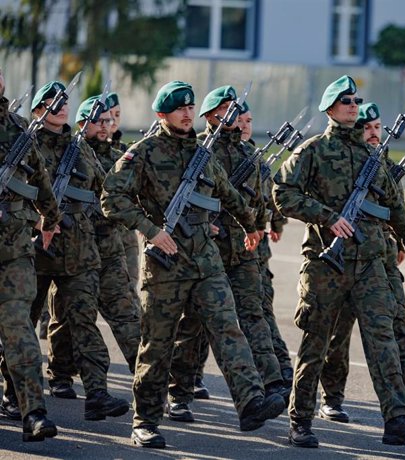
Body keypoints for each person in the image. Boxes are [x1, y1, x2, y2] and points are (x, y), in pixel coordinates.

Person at [101, 81, 285, 448]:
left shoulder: (203, 154)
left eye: (190, 108)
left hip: (206, 261)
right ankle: (145, 421)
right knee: (157, 345)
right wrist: (152, 230)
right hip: (165, 266)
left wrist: (252, 226)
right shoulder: (144, 153)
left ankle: (250, 401)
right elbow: (111, 197)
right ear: (162, 115)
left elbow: (229, 196)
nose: (187, 114)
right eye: (178, 109)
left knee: (227, 327)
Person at [273, 75, 405, 448]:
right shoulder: (312, 151)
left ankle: (396, 420)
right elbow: (282, 191)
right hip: (326, 266)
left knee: (383, 341)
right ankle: (300, 420)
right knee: (316, 343)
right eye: (345, 100)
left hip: (370, 266)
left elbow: (393, 203)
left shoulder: (370, 156)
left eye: (355, 100)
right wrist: (327, 216)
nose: (352, 105)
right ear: (330, 109)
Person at [166, 87, 290, 423]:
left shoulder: (250, 155)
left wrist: (270, 222)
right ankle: (179, 390)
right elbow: (178, 196)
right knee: (194, 325)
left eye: (238, 112)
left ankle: (273, 383)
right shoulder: (197, 151)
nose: (235, 118)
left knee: (252, 316)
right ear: (210, 116)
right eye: (227, 111)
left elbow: (265, 198)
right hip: (205, 252)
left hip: (244, 252)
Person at [319, 102, 405, 423]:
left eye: (377, 128)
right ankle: (332, 396)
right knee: (338, 333)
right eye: (366, 127)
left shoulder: (384, 165)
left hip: (381, 257)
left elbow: (395, 209)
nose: (373, 133)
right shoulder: (343, 160)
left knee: (396, 322)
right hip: (345, 256)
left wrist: (404, 242)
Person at [24, 80, 131, 421]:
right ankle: (17, 395)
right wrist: (35, 221)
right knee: (23, 324)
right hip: (34, 252)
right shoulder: (25, 144)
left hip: (80, 252)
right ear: (39, 110)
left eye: (64, 101)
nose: (61, 106)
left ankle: (97, 394)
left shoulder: (79, 147)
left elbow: (104, 188)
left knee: (84, 321)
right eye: (53, 102)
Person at [45, 96, 141, 379]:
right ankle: (61, 374)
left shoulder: (121, 158)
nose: (103, 126)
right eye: (96, 121)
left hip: (110, 247)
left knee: (126, 314)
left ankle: (149, 380)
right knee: (64, 316)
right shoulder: (68, 152)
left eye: (107, 121)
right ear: (81, 123)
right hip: (71, 248)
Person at [0, 68, 60, 442]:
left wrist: (50, 219)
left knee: (19, 331)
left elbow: (41, 180)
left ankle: (33, 413)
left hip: (13, 252)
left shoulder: (21, 128)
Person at [239, 102, 294, 387]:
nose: (246, 125)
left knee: (260, 309)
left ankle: (280, 368)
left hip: (255, 246)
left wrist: (277, 224)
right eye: (240, 120)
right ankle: (188, 381)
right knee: (199, 319)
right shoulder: (207, 152)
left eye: (249, 120)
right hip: (217, 243)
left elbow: (269, 196)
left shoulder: (256, 157)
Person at [107, 92, 142, 313]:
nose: (112, 120)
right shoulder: (81, 150)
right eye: (108, 115)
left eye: (117, 114)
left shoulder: (127, 152)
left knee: (130, 287)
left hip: (125, 233)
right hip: (97, 233)